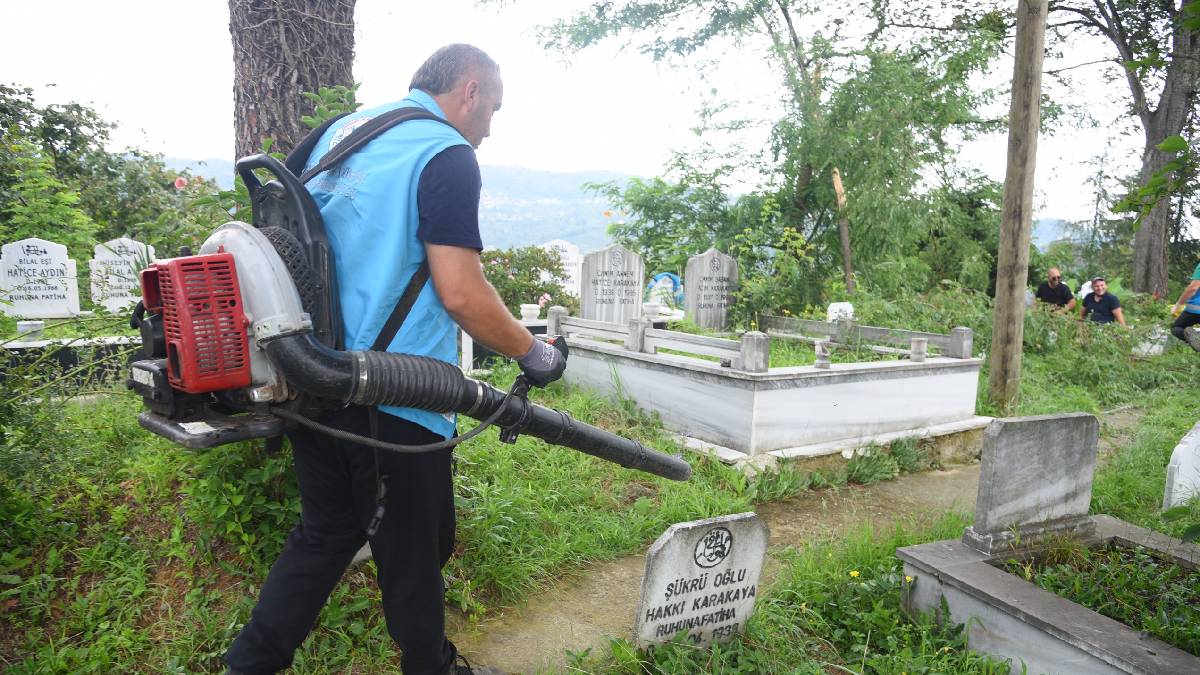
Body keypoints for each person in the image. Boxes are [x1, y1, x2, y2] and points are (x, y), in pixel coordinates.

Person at [224, 45, 563, 675]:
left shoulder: (340, 130)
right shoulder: (446, 153)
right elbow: (460, 290)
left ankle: (247, 666)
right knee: (415, 553)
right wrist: (533, 351)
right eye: (492, 108)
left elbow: (284, 227)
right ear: (468, 92)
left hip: (310, 375)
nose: (490, 126)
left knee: (325, 536)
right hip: (394, 392)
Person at [1170, 261, 1200, 350]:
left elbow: (1193, 288)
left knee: (1176, 328)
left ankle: (1196, 340)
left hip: (1195, 311)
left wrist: (1178, 305)